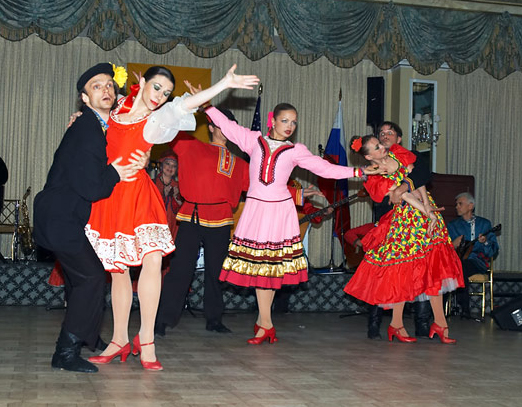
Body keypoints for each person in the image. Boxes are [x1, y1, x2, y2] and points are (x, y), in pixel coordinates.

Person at [86, 65, 259, 371]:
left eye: (166, 93)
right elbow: (94, 121)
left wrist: (223, 83)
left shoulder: (155, 120)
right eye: (156, 88)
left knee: (153, 261)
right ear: (142, 83)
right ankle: (118, 339)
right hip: (112, 196)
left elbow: (185, 105)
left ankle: (148, 339)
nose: (160, 96)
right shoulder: (117, 106)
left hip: (140, 196)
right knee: (118, 271)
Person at [203, 102, 372, 344]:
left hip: (280, 212)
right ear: (273, 121)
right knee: (262, 269)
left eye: (294, 122)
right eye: (285, 121)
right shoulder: (253, 140)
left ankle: (265, 324)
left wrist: (356, 172)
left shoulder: (296, 151)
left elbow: (324, 168)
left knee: (270, 269)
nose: (290, 126)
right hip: (256, 210)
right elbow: (227, 126)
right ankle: (264, 323)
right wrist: (207, 105)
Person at [33, 63, 145, 373]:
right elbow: (91, 186)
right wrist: (115, 173)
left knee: (78, 279)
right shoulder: (86, 129)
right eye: (97, 86)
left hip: (63, 217)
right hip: (61, 218)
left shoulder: (98, 127)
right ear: (85, 97)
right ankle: (65, 353)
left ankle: (88, 336)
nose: (106, 90)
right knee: (92, 278)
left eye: (109, 85)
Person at [344, 135, 464, 344]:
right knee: (404, 271)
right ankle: (396, 323)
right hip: (406, 220)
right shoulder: (374, 179)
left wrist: (428, 208)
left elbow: (416, 183)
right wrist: (426, 213)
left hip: (425, 212)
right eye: (376, 147)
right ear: (367, 156)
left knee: (433, 268)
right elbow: (404, 196)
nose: (382, 147)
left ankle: (440, 323)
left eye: (380, 144)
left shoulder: (397, 154)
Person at [155, 108, 249, 337]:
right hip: (192, 217)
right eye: (220, 124)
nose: (225, 130)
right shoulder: (192, 146)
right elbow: (167, 127)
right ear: (210, 127)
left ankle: (214, 319)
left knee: (217, 272)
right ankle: (162, 319)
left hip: (221, 221)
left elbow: (263, 187)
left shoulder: (240, 164)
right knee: (180, 270)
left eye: (229, 125)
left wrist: (299, 194)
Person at [365, 122, 434, 339]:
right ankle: (375, 323)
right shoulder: (377, 167)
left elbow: (423, 175)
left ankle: (422, 323)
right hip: (389, 219)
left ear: (400, 138)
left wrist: (406, 186)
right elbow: (386, 195)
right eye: (381, 133)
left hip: (414, 220)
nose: (385, 136)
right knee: (384, 269)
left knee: (420, 268)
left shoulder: (410, 156)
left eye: (390, 133)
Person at [447, 192, 499, 318]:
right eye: (457, 204)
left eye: (460, 204)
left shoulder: (484, 224)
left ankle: (463, 306)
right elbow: (443, 248)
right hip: (456, 261)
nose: (457, 207)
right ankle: (438, 310)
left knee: (462, 267)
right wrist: (452, 244)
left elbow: (493, 250)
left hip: (477, 262)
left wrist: (485, 242)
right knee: (448, 268)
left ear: (470, 206)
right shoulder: (452, 225)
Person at [154, 151, 183, 242]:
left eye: (174, 166)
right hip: (155, 226)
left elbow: (182, 212)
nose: (170, 167)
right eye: (167, 164)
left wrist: (177, 199)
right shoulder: (152, 184)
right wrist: (163, 196)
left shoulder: (180, 187)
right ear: (161, 166)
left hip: (173, 228)